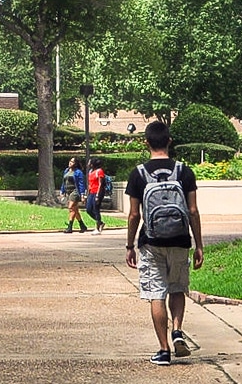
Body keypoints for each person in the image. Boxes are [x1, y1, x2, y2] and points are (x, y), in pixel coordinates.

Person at [125, 120, 203, 365]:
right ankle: (178, 330)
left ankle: (163, 350)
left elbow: (134, 215)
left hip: (151, 242)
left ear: (146, 142)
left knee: (156, 293)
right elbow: (192, 211)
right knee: (177, 288)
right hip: (180, 240)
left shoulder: (138, 174)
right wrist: (199, 244)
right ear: (169, 141)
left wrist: (130, 245)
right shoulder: (184, 172)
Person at [61, 157, 90, 233]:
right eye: (70, 161)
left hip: (75, 191)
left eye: (72, 162)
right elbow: (63, 182)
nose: (70, 163)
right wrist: (62, 191)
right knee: (75, 210)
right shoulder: (66, 171)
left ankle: (70, 227)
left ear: (75, 164)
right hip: (68, 192)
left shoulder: (78, 172)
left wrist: (82, 194)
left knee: (71, 207)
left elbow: (81, 184)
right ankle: (82, 225)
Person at [86, 161, 107, 232]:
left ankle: (97, 228)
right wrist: (88, 194)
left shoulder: (99, 171)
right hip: (91, 192)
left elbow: (100, 184)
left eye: (90, 163)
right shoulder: (90, 172)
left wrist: (98, 195)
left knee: (96, 209)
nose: (88, 164)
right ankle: (100, 222)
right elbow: (90, 184)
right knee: (88, 209)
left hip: (98, 192)